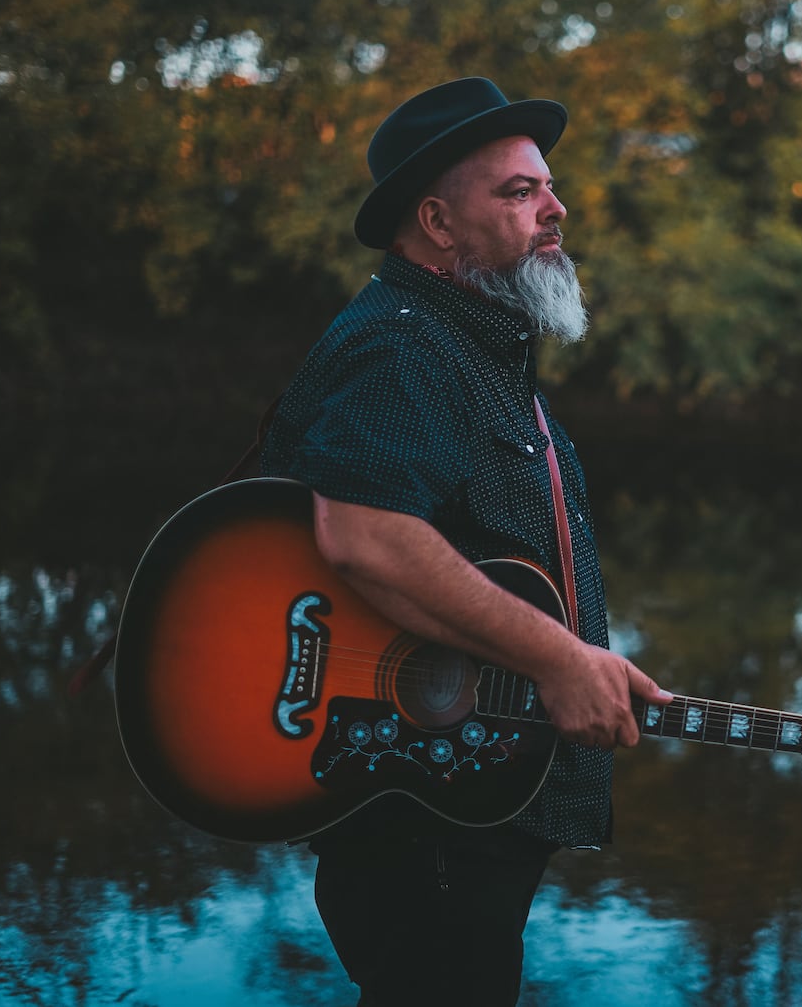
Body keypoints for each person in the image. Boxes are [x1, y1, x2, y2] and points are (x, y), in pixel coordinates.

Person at [257, 77, 672, 1006]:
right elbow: (364, 533)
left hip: (459, 790)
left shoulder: (470, 346)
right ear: (438, 223)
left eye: (548, 187)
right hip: (424, 815)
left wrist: (584, 662)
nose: (555, 209)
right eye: (519, 192)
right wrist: (559, 659)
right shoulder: (409, 345)